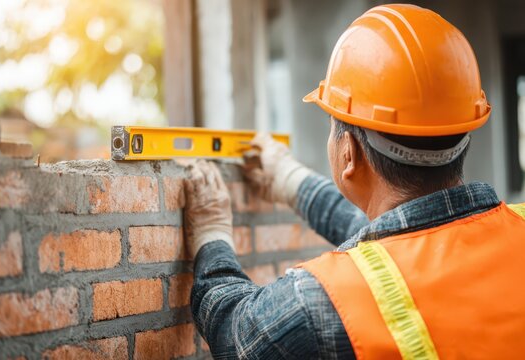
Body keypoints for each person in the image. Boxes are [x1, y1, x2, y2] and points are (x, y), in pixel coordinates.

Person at [182, 4, 525, 359]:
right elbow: (400, 236)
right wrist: (289, 180)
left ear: (348, 152)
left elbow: (233, 331)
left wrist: (212, 232)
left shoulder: (324, 300)